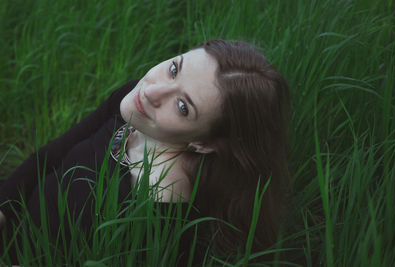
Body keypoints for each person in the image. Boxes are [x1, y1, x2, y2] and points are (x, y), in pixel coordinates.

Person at [0, 39, 290, 264]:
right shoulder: (136, 103)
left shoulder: (157, 220)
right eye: (174, 69)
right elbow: (53, 154)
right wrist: (4, 204)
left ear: (205, 143)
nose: (153, 91)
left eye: (182, 107)